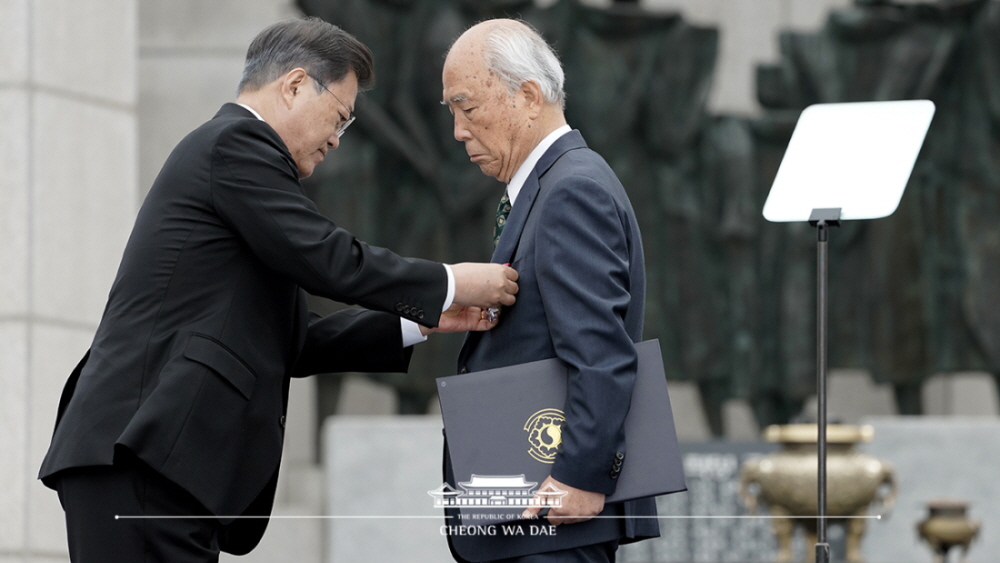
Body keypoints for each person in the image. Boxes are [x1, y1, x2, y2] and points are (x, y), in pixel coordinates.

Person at [38, 17, 518, 563]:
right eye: (339, 117)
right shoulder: (235, 144)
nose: (339, 139)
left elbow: (296, 341)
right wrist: (451, 280)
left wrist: (420, 321)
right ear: (293, 86)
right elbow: (328, 257)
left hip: (158, 463)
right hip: (141, 452)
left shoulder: (243, 172)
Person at [440, 19, 658, 563]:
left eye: (467, 108)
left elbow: (602, 354)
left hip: (555, 516)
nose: (458, 130)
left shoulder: (571, 190)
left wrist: (579, 476)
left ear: (529, 97)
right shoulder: (556, 183)